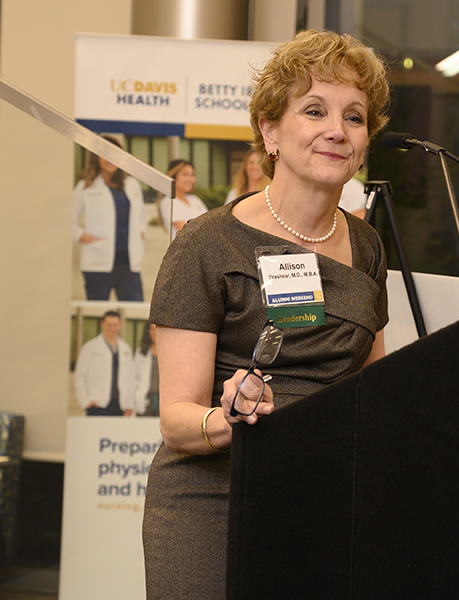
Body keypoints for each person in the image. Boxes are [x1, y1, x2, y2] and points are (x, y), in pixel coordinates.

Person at [142, 29, 391, 599]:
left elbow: (376, 392)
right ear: (270, 132)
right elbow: (176, 419)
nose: (337, 130)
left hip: (327, 497)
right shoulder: (206, 244)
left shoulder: (368, 246)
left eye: (354, 117)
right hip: (215, 500)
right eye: (314, 110)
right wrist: (227, 418)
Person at [72, 136, 146, 301]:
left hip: (129, 263)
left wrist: (141, 234)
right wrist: (83, 236)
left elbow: (142, 217)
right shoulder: (85, 186)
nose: (110, 159)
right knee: (99, 315)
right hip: (97, 262)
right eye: (104, 154)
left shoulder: (132, 185)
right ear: (96, 158)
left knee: (135, 314)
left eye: (115, 154)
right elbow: (66, 220)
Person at [74, 310, 135, 416]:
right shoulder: (90, 347)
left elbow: (131, 378)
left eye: (115, 325)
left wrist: (129, 404)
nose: (112, 328)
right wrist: (86, 401)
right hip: (97, 405)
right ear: (102, 324)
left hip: (120, 405)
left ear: (120, 325)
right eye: (109, 325)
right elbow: (80, 376)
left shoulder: (126, 349)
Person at [158, 159, 209, 239]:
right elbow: (187, 230)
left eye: (192, 175)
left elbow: (211, 223)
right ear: (173, 177)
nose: (189, 179)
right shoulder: (168, 202)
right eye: (185, 174)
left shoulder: (195, 199)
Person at [133, 321, 159, 416]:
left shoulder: (169, 352)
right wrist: (136, 394)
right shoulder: (141, 352)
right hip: (145, 399)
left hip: (162, 400)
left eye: (157, 328)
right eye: (152, 329)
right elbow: (133, 377)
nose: (154, 332)